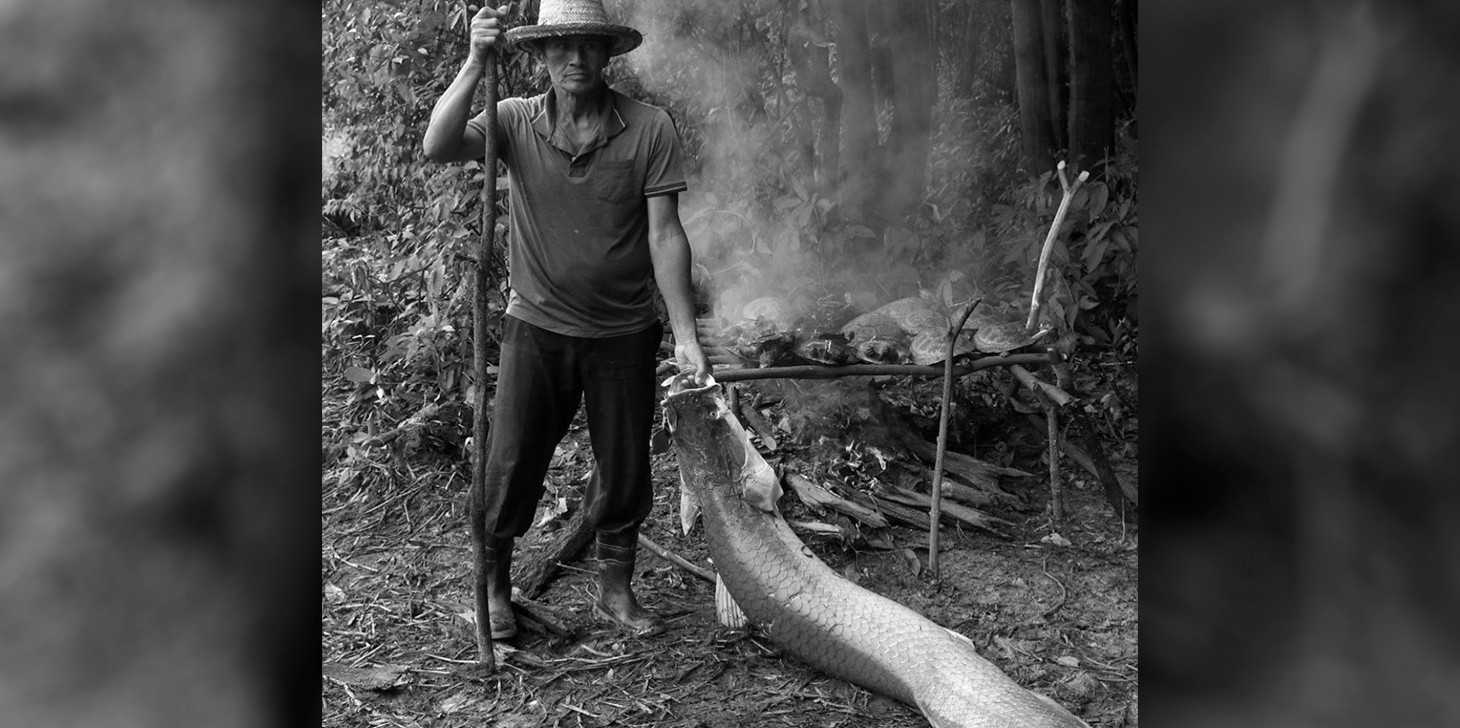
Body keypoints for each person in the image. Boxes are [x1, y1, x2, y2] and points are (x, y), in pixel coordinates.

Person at [422, 0, 711, 640]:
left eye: (587, 45)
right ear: (540, 56)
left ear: (608, 53)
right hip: (537, 326)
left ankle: (615, 587)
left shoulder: (649, 127)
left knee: (626, 464)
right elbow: (438, 143)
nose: (574, 58)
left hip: (624, 331)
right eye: (559, 46)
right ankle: (494, 586)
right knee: (512, 460)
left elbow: (666, 238)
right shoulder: (515, 119)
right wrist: (474, 61)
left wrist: (686, 337)